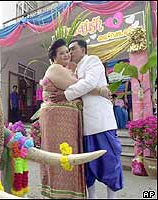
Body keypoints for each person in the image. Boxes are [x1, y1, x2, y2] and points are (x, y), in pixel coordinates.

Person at [50, 39, 123, 199]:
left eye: (72, 49)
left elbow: (88, 83)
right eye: (66, 51)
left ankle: (112, 197)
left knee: (109, 161)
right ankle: (92, 196)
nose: (69, 53)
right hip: (84, 127)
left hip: (101, 123)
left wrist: (66, 94)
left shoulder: (92, 61)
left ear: (83, 50)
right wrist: (99, 90)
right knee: (88, 165)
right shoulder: (74, 71)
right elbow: (84, 86)